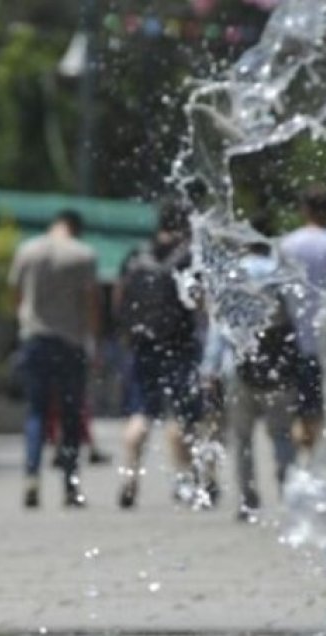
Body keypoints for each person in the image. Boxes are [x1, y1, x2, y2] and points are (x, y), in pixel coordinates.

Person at [200, 221, 298, 521]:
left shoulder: (231, 273)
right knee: (281, 434)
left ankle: (248, 499)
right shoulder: (278, 272)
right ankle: (288, 494)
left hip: (237, 367)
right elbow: (294, 319)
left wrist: (209, 367)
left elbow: (220, 325)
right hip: (277, 367)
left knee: (241, 439)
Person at [115, 198, 205, 509]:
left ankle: (129, 480)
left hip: (142, 346)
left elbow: (119, 300)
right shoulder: (188, 258)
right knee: (179, 419)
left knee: (140, 415)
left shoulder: (136, 257)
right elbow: (200, 303)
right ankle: (183, 484)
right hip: (179, 345)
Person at [8, 209, 99, 508]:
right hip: (70, 341)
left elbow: (16, 294)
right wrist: (92, 341)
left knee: (36, 412)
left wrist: (24, 322)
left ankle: (31, 476)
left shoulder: (28, 250)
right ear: (76, 228)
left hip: (35, 338)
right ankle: (70, 485)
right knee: (71, 415)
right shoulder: (83, 254)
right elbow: (90, 303)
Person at [279, 184, 326, 450]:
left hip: (296, 340)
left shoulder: (287, 245)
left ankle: (308, 459)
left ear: (304, 209)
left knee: (305, 411)